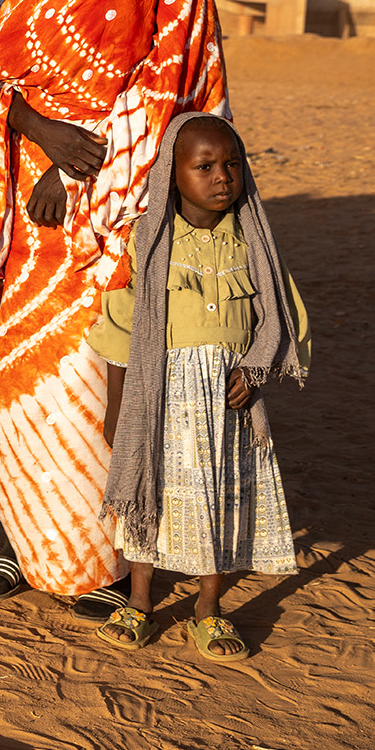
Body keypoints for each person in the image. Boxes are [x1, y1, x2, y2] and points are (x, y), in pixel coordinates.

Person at [0, 0, 227, 621]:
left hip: (114, 216)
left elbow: (173, 90)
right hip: (28, 216)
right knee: (12, 389)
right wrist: (39, 138)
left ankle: (99, 563)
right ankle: (23, 538)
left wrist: (82, 181)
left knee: (94, 389)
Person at [89, 114, 308, 660]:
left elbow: (280, 318)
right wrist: (121, 412)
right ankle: (139, 599)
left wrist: (255, 373)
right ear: (173, 174)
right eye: (204, 166)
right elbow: (122, 329)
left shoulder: (252, 241)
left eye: (231, 164)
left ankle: (208, 609)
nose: (222, 178)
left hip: (230, 401)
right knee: (151, 496)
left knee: (219, 501)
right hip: (162, 397)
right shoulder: (148, 240)